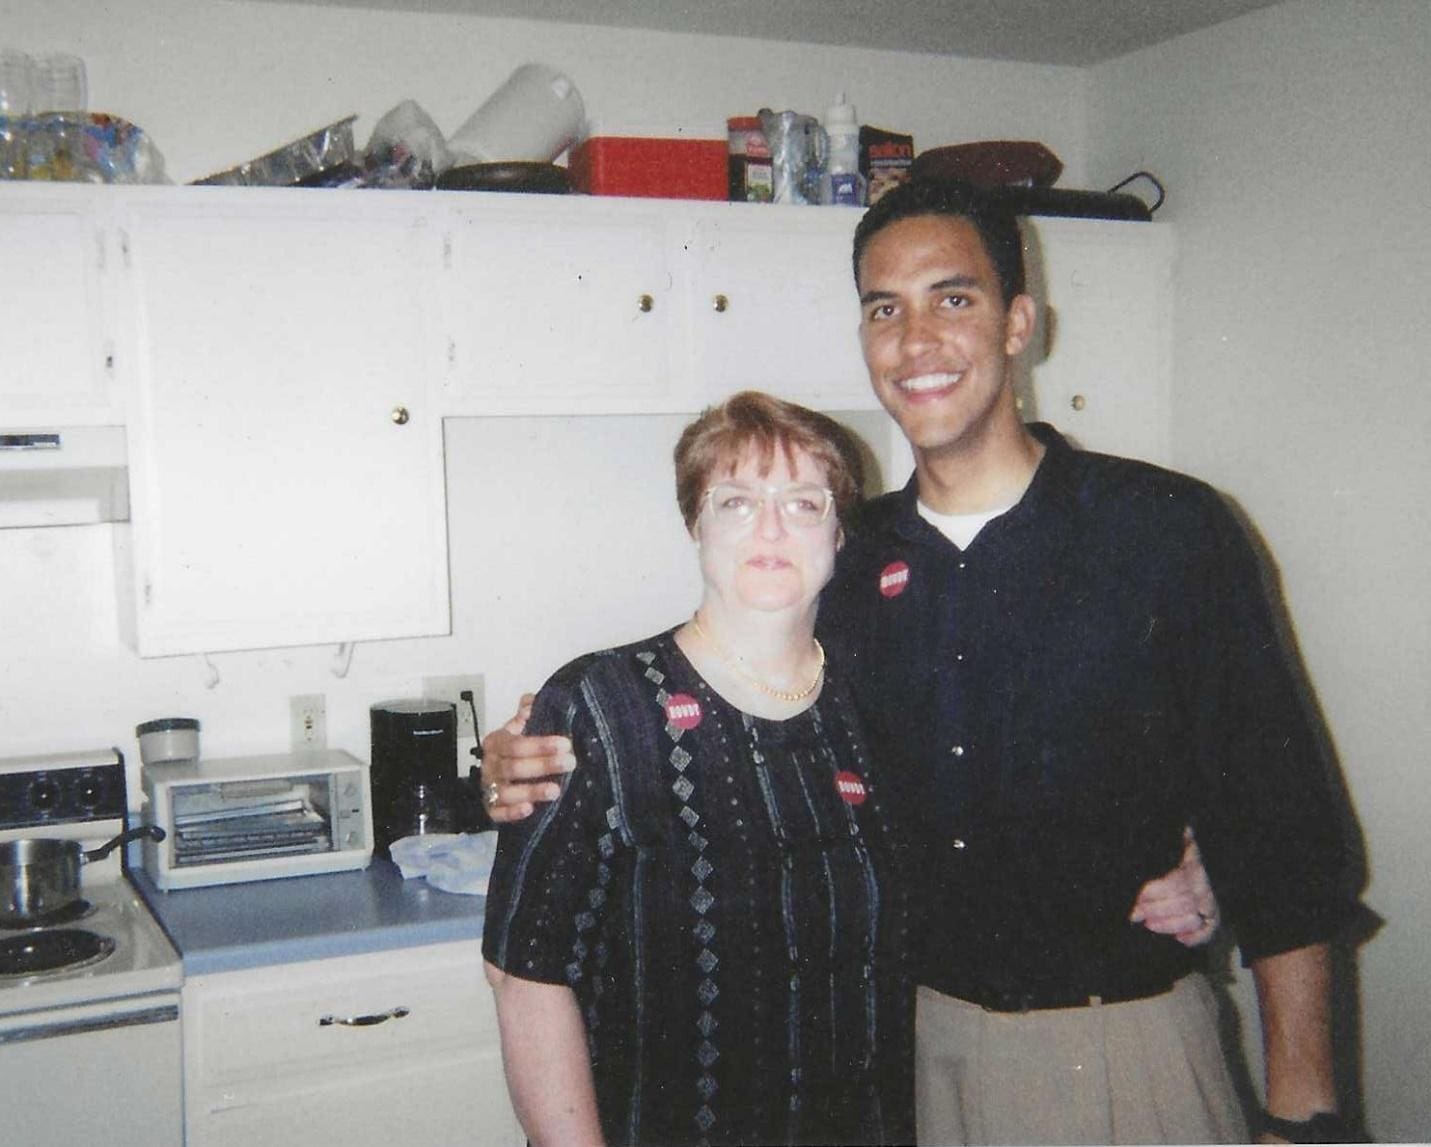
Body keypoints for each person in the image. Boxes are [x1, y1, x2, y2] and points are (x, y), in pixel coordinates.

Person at [483, 178, 1359, 1144]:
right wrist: (530, 754)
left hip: (1122, 1048)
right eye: (883, 309)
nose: (916, 340)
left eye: (954, 298)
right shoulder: (846, 567)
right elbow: (726, 694)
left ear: (1019, 321)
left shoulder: (1166, 532)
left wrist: (1304, 1113)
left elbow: (1283, 839)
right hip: (904, 1068)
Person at [482, 393, 914, 1147]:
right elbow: (524, 974)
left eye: (804, 503)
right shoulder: (600, 705)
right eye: (736, 500)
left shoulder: (874, 703)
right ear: (695, 524)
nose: (771, 527)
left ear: (839, 532)